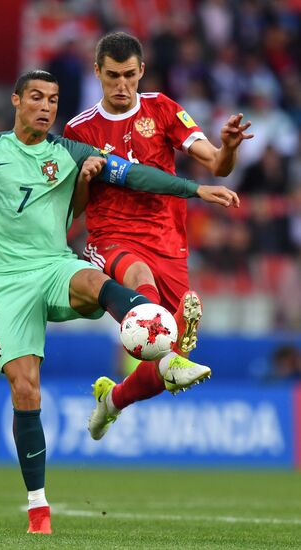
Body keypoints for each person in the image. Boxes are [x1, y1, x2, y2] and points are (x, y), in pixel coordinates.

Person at [0, 70, 239, 535]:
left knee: (92, 277)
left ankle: (161, 347)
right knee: (26, 390)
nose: (47, 107)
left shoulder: (69, 153)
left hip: (54, 265)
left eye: (54, 99)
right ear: (16, 101)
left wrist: (194, 190)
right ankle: (38, 511)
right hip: (7, 281)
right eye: (37, 98)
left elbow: (136, 174)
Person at [63, 32, 253, 440]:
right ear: (96, 72)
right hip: (111, 238)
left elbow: (218, 166)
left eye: (129, 75)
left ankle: (112, 400)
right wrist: (84, 178)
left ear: (142, 71)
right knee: (140, 283)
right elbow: (72, 208)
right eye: (112, 76)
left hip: (168, 241)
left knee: (169, 366)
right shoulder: (79, 130)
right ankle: (164, 356)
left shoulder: (163, 109)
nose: (121, 85)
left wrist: (229, 147)